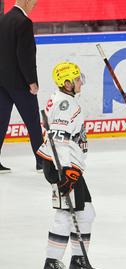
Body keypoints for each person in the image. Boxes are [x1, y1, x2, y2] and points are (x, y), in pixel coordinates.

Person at [36, 62, 94, 269]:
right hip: (61, 164)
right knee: (65, 214)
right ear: (67, 83)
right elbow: (59, 137)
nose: (80, 82)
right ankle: (51, 262)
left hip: (68, 164)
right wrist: (66, 169)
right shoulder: (65, 104)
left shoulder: (63, 99)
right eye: (77, 79)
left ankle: (79, 261)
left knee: (86, 212)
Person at [0, 0, 43, 173]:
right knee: (33, 122)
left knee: (0, 122)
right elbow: (25, 55)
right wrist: (32, 81)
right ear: (25, 1)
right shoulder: (24, 22)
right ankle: (42, 161)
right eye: (34, 2)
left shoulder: (3, 20)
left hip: (2, 83)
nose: (35, 5)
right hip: (20, 83)